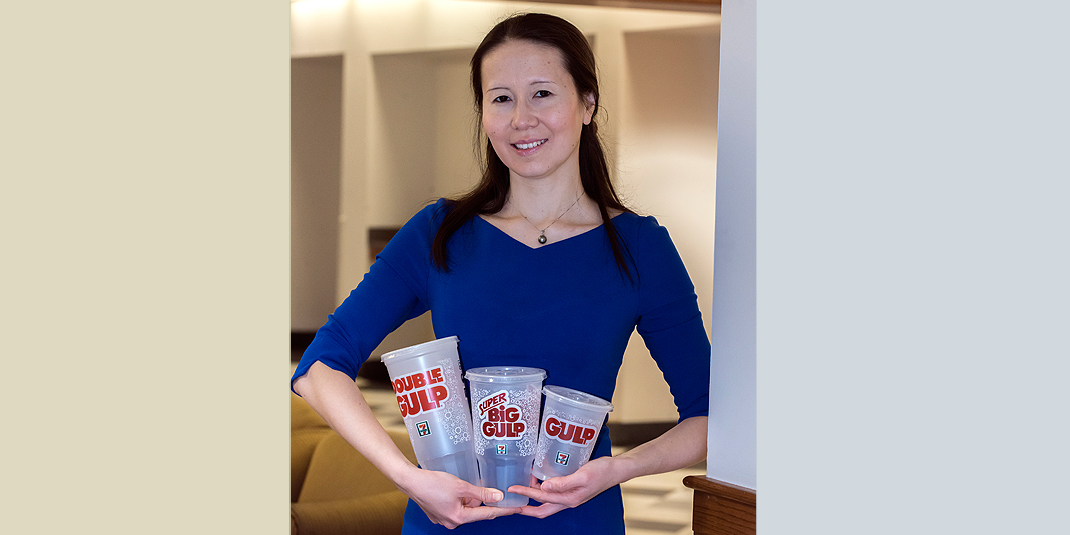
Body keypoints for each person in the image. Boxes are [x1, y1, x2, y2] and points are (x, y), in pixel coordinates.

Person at [291, 12, 711, 534]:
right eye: (501, 98)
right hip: (449, 520)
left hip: (576, 520)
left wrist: (620, 469)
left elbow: (710, 418)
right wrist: (407, 476)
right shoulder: (440, 233)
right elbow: (319, 367)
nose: (521, 119)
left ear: (586, 103)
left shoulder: (640, 248)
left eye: (542, 94)